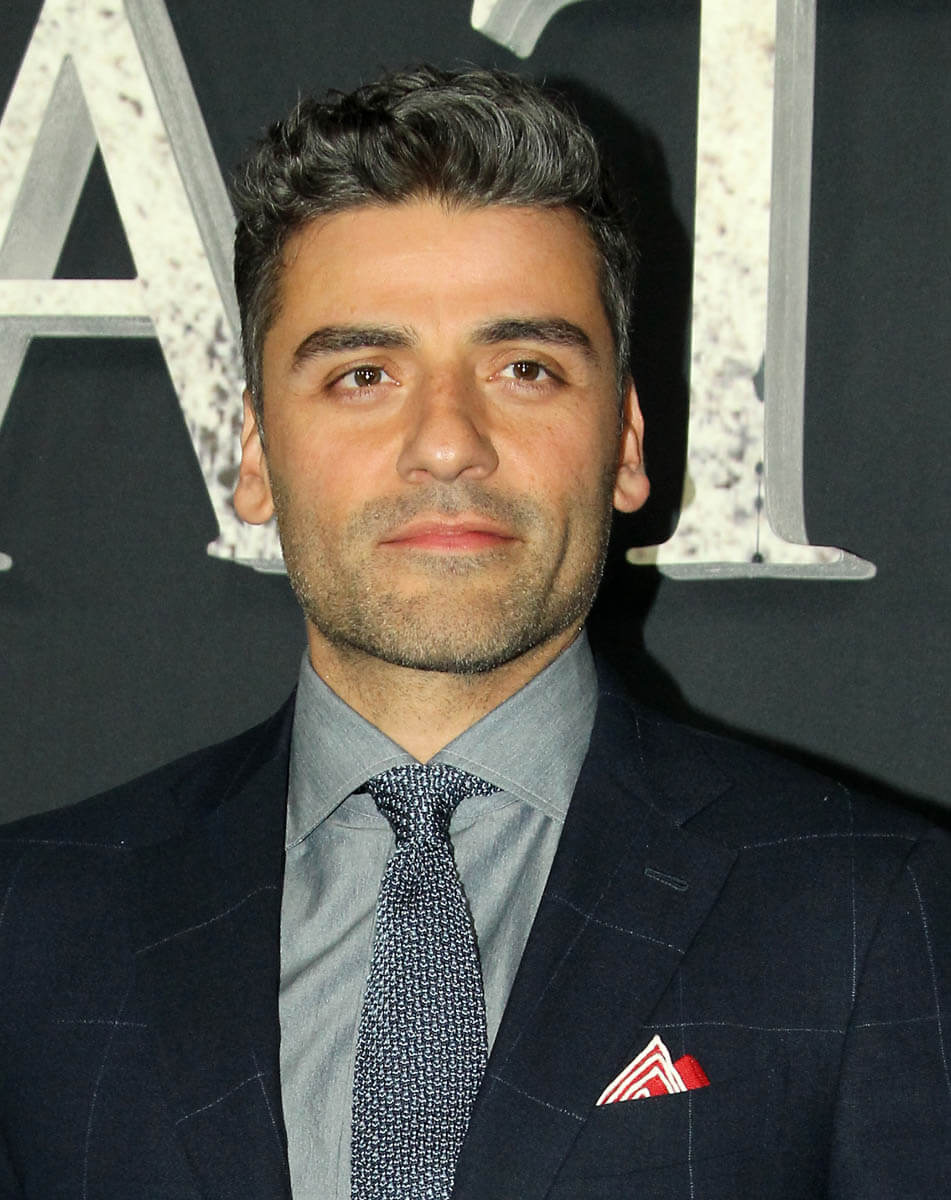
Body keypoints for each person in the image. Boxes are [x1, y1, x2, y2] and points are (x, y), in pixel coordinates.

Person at [1, 65, 949, 1200]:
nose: (447, 441)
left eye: (524, 368)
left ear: (626, 442)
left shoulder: (866, 911)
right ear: (253, 454)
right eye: (363, 373)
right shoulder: (31, 923)